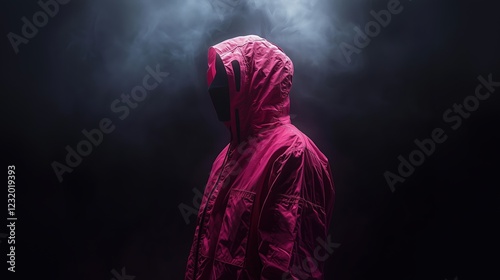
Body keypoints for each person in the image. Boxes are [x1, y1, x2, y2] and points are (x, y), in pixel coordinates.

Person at [185, 35, 335, 280]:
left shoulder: (293, 154)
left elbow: (290, 266)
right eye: (218, 77)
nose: (215, 87)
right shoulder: (226, 157)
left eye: (227, 77)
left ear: (253, 82)